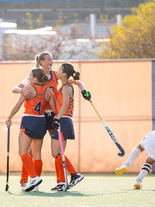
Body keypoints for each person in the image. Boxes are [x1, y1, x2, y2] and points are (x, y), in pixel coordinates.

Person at [12, 52, 91, 189]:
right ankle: (27, 180)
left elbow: (77, 81)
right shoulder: (35, 75)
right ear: (41, 62)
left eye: (52, 59)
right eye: (48, 59)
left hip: (55, 115)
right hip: (40, 116)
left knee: (57, 151)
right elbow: (15, 88)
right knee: (32, 151)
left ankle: (61, 181)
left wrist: (83, 90)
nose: (51, 61)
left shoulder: (56, 74)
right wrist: (22, 91)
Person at [6, 68, 56, 192]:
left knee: (22, 152)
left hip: (29, 120)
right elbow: (54, 110)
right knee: (37, 153)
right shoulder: (48, 91)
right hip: (41, 121)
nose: (28, 77)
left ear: (34, 78)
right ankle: (36, 185)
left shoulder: (28, 88)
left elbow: (18, 105)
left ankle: (33, 178)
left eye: (30, 75)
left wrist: (9, 117)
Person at [51, 63, 86, 191]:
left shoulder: (66, 87)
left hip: (63, 120)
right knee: (58, 154)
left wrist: (56, 118)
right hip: (64, 120)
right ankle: (62, 181)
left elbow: (65, 105)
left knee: (56, 153)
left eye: (59, 70)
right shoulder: (66, 85)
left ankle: (75, 174)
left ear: (65, 73)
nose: (57, 71)